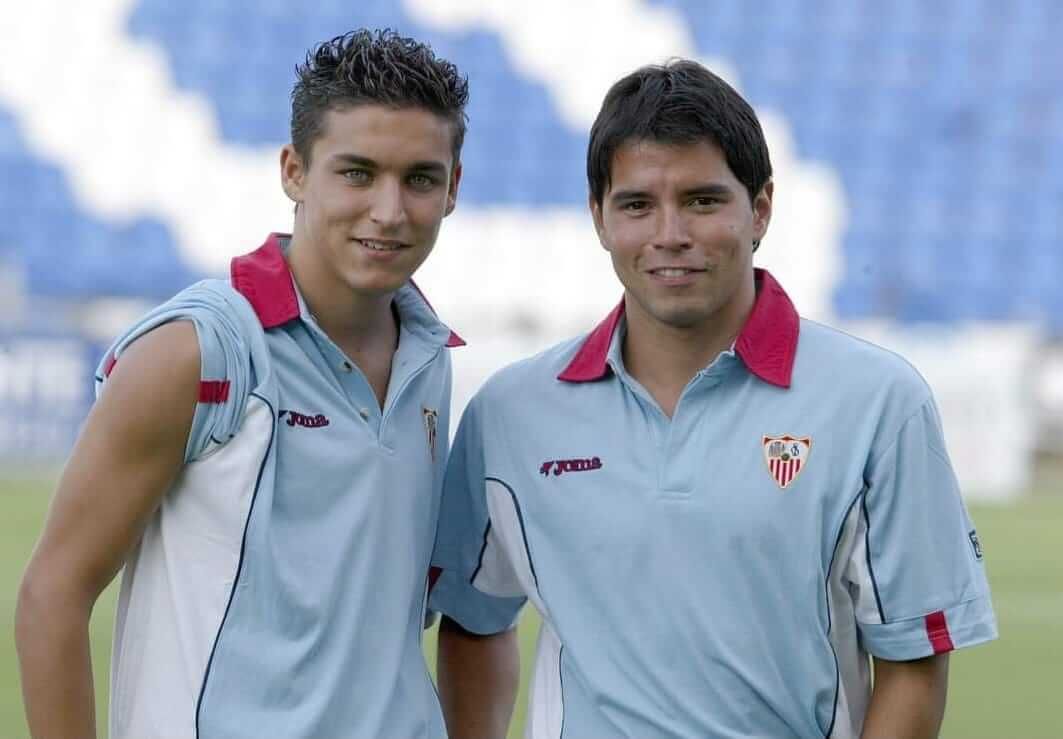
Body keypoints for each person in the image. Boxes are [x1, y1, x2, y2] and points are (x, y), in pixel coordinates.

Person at [430, 59, 998, 739]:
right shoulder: (509, 413)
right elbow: (474, 620)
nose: (670, 234)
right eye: (637, 204)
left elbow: (912, 664)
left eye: (702, 200)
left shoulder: (878, 402)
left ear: (759, 208)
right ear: (598, 218)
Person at [17, 29, 470, 739]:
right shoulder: (197, 349)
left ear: (453, 189)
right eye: (356, 172)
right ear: (293, 171)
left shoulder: (431, 354)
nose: (389, 209)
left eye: (419, 178)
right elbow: (53, 591)